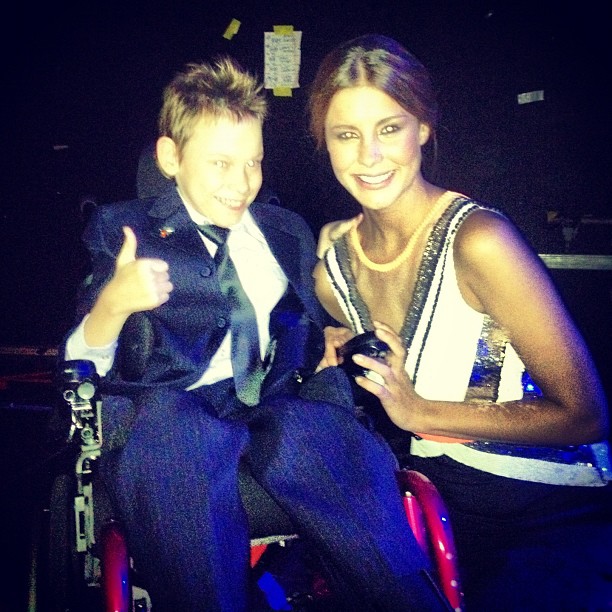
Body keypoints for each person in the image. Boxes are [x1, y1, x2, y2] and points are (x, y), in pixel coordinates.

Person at [63, 56, 449, 611]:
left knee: (323, 435)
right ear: (171, 158)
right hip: (172, 413)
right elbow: (79, 363)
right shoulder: (124, 229)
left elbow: (300, 326)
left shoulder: (285, 230)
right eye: (221, 163)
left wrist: (328, 345)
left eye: (253, 162)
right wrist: (113, 306)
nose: (242, 183)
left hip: (274, 402)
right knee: (181, 436)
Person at [309, 34, 612, 611]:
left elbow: (586, 414)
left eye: (389, 128)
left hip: (548, 514)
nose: (369, 156)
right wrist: (340, 367)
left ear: (423, 127)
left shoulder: (479, 241)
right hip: (436, 513)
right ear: (324, 142)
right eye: (346, 135)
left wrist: (418, 411)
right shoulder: (334, 274)